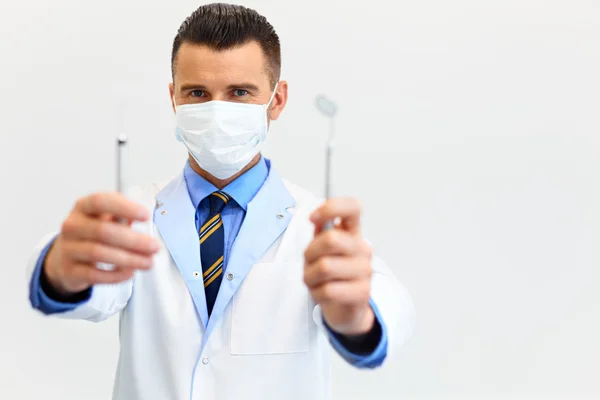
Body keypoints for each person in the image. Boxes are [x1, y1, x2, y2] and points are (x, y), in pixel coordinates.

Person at [27, 3, 415, 400]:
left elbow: (390, 306)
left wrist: (356, 318)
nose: (216, 111)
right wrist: (59, 270)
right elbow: (84, 283)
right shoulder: (133, 217)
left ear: (277, 100)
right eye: (197, 92)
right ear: (173, 99)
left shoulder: (315, 227)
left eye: (239, 92)